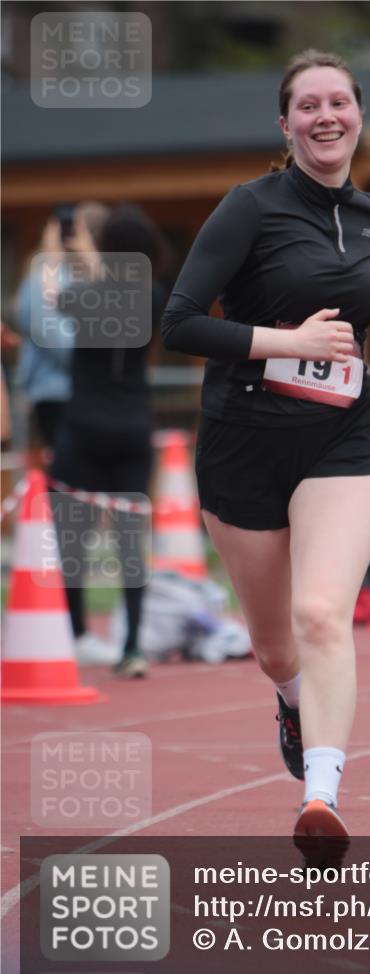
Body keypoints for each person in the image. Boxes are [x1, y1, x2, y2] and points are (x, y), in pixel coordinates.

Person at [160, 49, 370, 850]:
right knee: (276, 642)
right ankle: (289, 699)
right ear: (285, 125)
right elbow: (179, 323)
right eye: (307, 105)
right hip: (244, 444)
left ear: (357, 115)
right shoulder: (249, 207)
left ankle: (320, 800)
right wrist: (285, 339)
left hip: (342, 438)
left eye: (339, 102)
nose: (326, 116)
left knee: (322, 613)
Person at [51, 204, 168, 677]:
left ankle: (76, 633)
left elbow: (56, 299)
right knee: (129, 541)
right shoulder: (158, 296)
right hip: (133, 425)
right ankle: (133, 646)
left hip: (81, 427)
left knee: (71, 538)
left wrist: (73, 251)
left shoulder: (84, 293)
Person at [13, 204, 110, 449]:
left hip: (85, 393)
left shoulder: (88, 278)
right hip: (57, 395)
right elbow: (58, 342)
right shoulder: (41, 279)